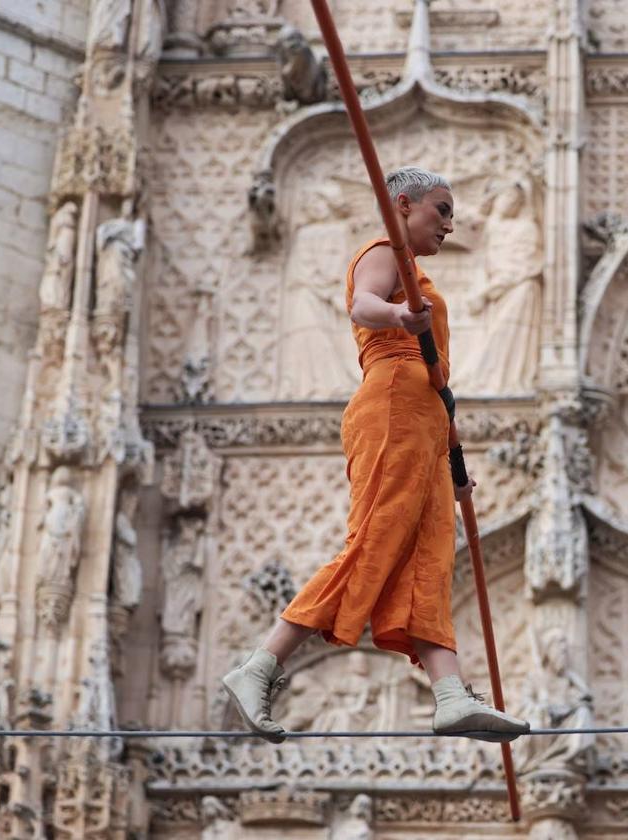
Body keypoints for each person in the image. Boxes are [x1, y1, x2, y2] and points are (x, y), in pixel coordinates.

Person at [222, 166, 529, 744]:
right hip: (390, 406)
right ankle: (260, 665)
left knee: (429, 561)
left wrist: (455, 463)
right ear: (405, 205)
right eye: (442, 209)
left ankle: (449, 695)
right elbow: (363, 304)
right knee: (375, 539)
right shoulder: (384, 251)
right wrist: (397, 316)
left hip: (426, 421)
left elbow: (440, 385)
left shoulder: (418, 276)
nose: (450, 222)